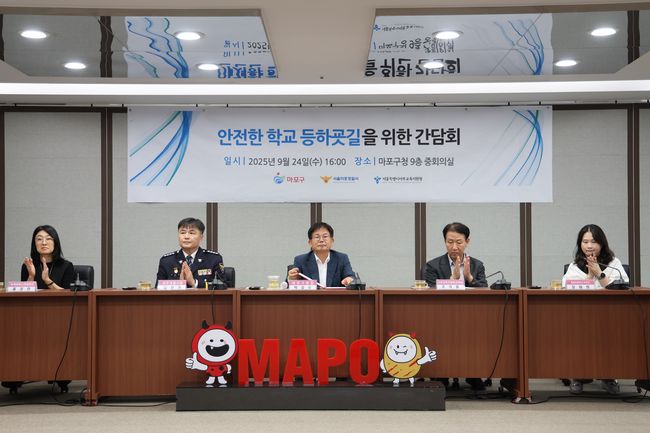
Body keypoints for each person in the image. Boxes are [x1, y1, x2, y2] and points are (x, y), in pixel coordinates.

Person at [2, 225, 75, 395]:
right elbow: (23, 295)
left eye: (48, 238)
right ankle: (15, 374)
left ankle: (60, 374)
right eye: (39, 239)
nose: (44, 242)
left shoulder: (66, 266)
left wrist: (47, 280)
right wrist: (31, 276)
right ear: (34, 243)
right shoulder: (28, 265)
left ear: (55, 243)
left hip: (59, 318)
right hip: (31, 316)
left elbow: (69, 295)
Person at [562, 224, 628, 395]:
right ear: (580, 244)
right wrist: (589, 276)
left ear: (602, 243)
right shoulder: (575, 266)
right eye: (585, 242)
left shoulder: (614, 263)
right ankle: (577, 376)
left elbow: (621, 288)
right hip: (581, 315)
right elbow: (567, 288)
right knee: (577, 334)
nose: (589, 246)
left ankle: (608, 376)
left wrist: (599, 272)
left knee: (611, 335)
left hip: (611, 315)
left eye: (593, 241)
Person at [423, 222, 488, 392]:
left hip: (472, 317)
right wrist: (452, 280)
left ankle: (473, 373)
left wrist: (469, 277)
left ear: (467, 241)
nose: (454, 247)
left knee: (476, 334)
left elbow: (485, 290)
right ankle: (441, 374)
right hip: (440, 317)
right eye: (449, 242)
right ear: (444, 241)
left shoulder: (477, 265)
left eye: (459, 242)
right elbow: (429, 291)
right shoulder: (432, 266)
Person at [156, 217, 224, 289]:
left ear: (201, 237)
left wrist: (194, 283)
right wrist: (179, 284)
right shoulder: (167, 261)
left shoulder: (213, 259)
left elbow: (223, 285)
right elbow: (158, 288)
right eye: (182, 233)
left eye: (191, 233)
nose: (186, 237)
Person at [288, 222, 355, 287]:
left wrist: (349, 279)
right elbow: (290, 284)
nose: (321, 240)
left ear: (332, 241)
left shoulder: (342, 258)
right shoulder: (301, 260)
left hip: (335, 295)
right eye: (317, 237)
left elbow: (350, 276)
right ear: (310, 242)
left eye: (325, 236)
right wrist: (292, 278)